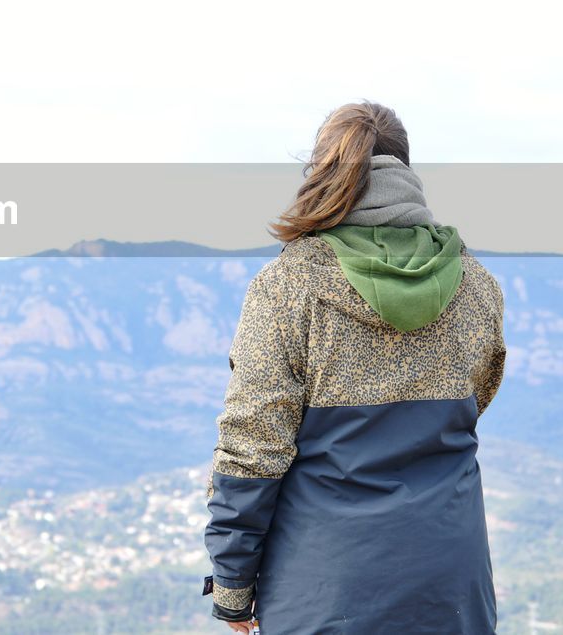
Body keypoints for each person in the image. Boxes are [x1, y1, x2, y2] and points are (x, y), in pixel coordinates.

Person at [203, 100, 507, 634]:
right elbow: (478, 397)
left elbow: (253, 448)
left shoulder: (288, 287)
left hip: (325, 590)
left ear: (321, 173)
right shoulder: (475, 284)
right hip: (451, 587)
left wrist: (232, 587)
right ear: (405, 170)